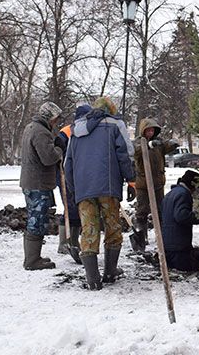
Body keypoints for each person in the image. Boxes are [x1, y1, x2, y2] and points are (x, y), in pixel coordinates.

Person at [65, 97, 135, 290]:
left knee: (89, 228)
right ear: (110, 109)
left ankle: (93, 278)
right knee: (112, 226)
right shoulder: (115, 125)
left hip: (83, 189)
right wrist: (131, 180)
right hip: (108, 187)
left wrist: (73, 189)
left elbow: (68, 163)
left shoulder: (76, 129)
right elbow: (126, 154)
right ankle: (110, 272)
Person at [19, 101, 64, 271]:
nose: (56, 122)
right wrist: (59, 149)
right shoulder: (41, 132)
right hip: (38, 183)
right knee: (36, 220)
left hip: (31, 181)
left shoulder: (31, 127)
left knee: (35, 217)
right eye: (55, 119)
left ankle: (34, 256)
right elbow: (48, 158)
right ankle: (32, 261)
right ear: (48, 117)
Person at [130, 118, 179, 252]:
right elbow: (136, 151)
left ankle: (162, 237)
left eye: (153, 130)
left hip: (157, 183)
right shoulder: (138, 143)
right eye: (148, 130)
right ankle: (141, 236)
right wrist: (148, 145)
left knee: (160, 210)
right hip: (143, 184)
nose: (151, 133)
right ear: (143, 131)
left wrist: (173, 143)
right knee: (142, 211)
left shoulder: (159, 143)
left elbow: (166, 146)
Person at [56, 104, 91, 258]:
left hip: (79, 174)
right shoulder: (66, 132)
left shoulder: (86, 130)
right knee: (70, 208)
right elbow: (58, 148)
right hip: (65, 174)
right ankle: (64, 243)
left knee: (77, 208)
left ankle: (74, 242)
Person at [160, 170, 199, 272]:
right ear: (192, 184)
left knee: (173, 273)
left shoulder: (171, 193)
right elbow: (181, 216)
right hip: (178, 244)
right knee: (182, 272)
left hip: (168, 242)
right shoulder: (183, 194)